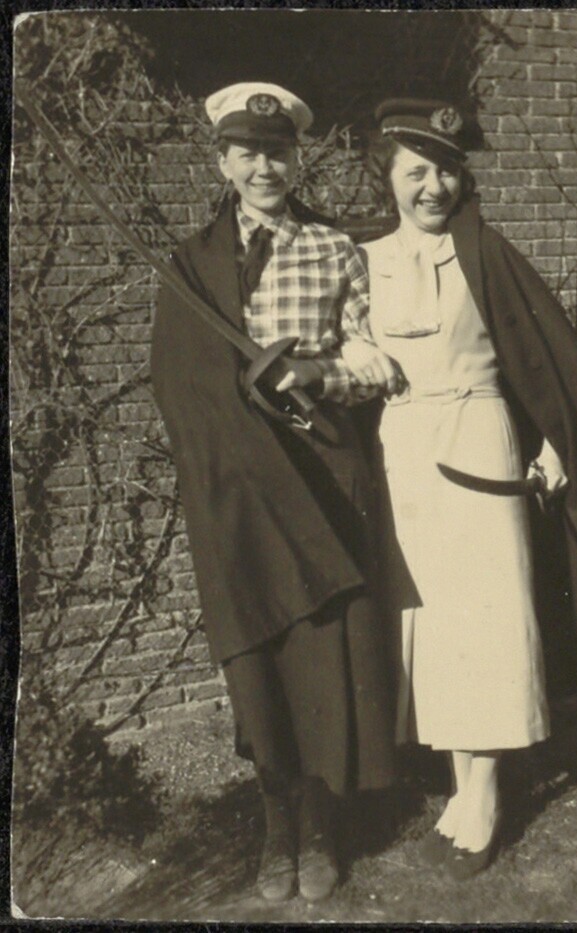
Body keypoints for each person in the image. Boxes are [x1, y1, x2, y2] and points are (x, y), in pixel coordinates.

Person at [344, 98, 577, 880]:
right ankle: (459, 782)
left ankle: (485, 794)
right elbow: (338, 343)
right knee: (431, 623)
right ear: (387, 176)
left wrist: (554, 441)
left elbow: (543, 360)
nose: (432, 187)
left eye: (446, 170)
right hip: (401, 451)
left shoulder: (486, 254)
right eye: (415, 171)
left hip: (479, 439)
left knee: (487, 619)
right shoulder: (360, 260)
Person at [150, 82, 398, 903]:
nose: (265, 167)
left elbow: (372, 363)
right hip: (234, 489)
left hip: (318, 476)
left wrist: (314, 375)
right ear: (222, 162)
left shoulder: (334, 248)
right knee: (254, 654)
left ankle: (320, 826)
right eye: (248, 152)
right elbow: (175, 383)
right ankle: (274, 824)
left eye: (278, 151)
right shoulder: (189, 265)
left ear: (297, 158)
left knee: (321, 654)